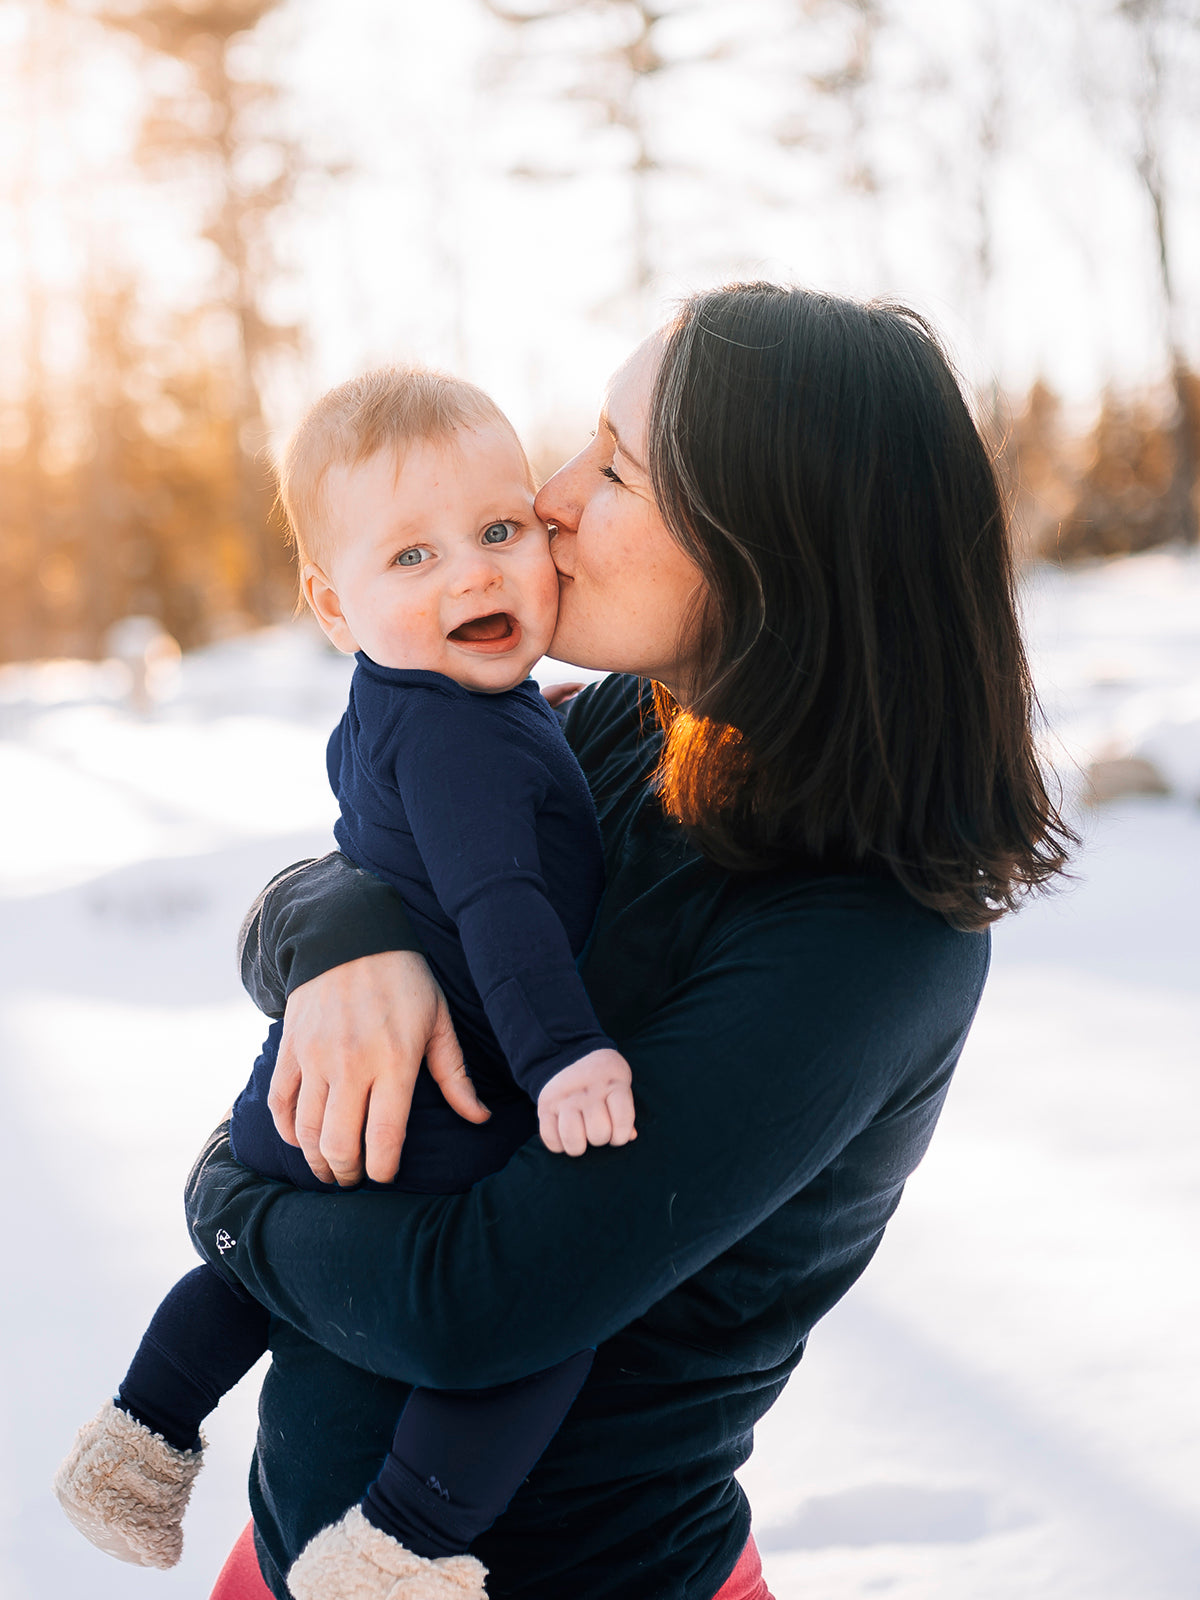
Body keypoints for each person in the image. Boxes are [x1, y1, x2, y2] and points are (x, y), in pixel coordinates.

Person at [186, 283, 1074, 1600]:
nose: (547, 495)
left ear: (771, 551)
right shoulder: (618, 730)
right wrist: (348, 934)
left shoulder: (871, 938)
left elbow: (481, 1304)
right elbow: (348, 877)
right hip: (311, 1546)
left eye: (615, 468)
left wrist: (232, 1210)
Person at [54, 368, 639, 1600]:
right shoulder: (464, 734)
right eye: (413, 556)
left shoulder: (406, 697)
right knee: (539, 1333)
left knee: (247, 1279)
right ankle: (402, 1544)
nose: (474, 575)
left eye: (497, 532)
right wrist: (563, 1056)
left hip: (310, 1086)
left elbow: (385, 839)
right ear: (333, 602)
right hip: (431, 1099)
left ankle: (141, 1434)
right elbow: (499, 904)